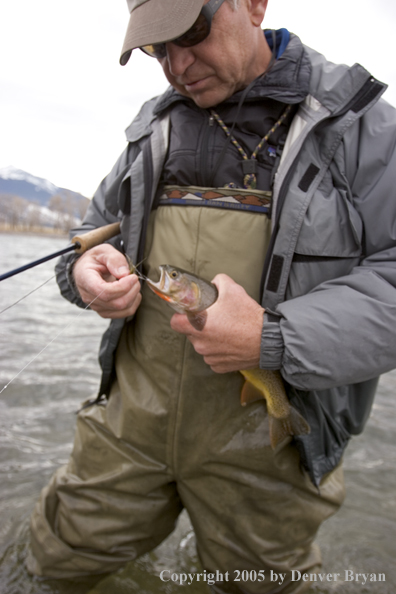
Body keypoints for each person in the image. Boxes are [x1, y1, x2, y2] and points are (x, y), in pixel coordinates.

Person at [27, 0, 396, 592]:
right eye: (157, 48)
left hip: (268, 454)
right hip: (126, 428)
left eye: (190, 32)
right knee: (50, 565)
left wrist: (273, 340)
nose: (176, 64)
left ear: (253, 4)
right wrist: (83, 274)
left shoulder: (359, 126)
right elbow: (90, 235)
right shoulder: (151, 127)